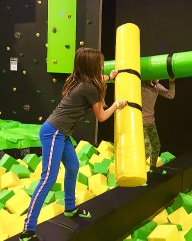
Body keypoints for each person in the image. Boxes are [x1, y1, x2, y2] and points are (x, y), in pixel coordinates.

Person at [19, 47, 127, 241]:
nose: (103, 66)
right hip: (54, 133)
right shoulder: (89, 87)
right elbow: (102, 116)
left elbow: (97, 80)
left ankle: (70, 208)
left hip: (62, 132)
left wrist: (109, 77)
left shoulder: (81, 80)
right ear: (91, 66)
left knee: (73, 166)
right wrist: (117, 105)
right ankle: (28, 231)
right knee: (48, 179)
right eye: (100, 64)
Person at [142, 77, 175, 175]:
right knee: (146, 149)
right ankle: (140, 173)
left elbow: (170, 95)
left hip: (150, 122)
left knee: (156, 145)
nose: (159, 79)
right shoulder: (141, 85)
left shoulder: (156, 86)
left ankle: (153, 167)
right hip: (140, 123)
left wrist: (172, 82)